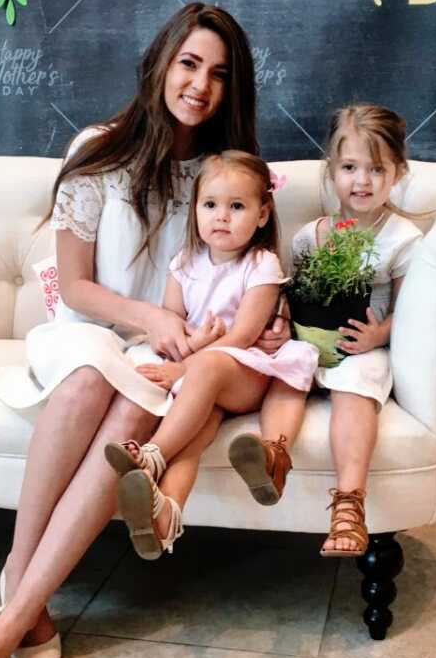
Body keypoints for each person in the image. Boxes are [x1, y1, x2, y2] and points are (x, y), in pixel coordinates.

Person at [0, 3, 285, 658]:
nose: (200, 85)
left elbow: (254, 272)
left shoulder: (231, 176)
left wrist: (271, 320)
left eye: (220, 74)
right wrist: (150, 315)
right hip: (89, 330)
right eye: (189, 63)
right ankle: (23, 592)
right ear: (161, 62)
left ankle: (9, 624)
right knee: (81, 390)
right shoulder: (99, 151)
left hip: (172, 356)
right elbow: (74, 286)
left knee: (133, 407)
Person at [227, 104, 423, 558]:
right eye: (350, 167)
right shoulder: (310, 237)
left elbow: (412, 311)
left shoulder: (402, 238)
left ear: (398, 172)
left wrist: (380, 336)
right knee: (286, 370)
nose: (362, 181)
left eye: (377, 169)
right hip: (309, 343)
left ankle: (349, 507)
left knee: (356, 385)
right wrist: (279, 329)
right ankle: (273, 457)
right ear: (331, 170)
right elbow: (291, 300)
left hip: (360, 348)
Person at [102, 151, 318, 560]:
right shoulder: (183, 263)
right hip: (202, 379)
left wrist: (189, 361)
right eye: (211, 205)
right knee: (195, 437)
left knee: (210, 367)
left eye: (236, 206)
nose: (221, 216)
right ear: (196, 209)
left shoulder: (261, 264)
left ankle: (152, 455)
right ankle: (166, 515)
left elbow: (242, 336)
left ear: (262, 214)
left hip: (245, 374)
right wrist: (191, 347)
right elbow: (173, 324)